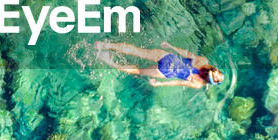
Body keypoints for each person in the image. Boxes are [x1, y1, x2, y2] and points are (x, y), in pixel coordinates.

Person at [95, 39, 225, 89]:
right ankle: (109, 61)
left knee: (138, 51)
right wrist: (160, 84)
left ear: (214, 69)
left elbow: (186, 54)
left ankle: (105, 45)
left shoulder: (203, 62)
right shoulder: (197, 84)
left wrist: (171, 46)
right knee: (138, 71)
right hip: (166, 71)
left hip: (169, 58)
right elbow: (178, 82)